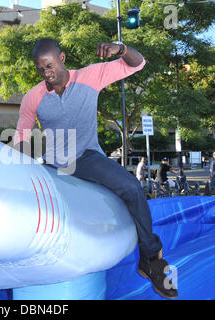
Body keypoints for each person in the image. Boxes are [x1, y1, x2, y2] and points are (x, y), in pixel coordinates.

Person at [12, 38, 178, 299]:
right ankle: (5, 269)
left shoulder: (90, 76)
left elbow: (137, 63)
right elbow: (21, 136)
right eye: (41, 69)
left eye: (50, 65)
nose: (47, 73)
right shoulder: (34, 97)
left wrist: (121, 49)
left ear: (62, 58)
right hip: (54, 162)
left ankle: (150, 259)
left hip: (87, 156)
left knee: (132, 187)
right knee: (23, 202)